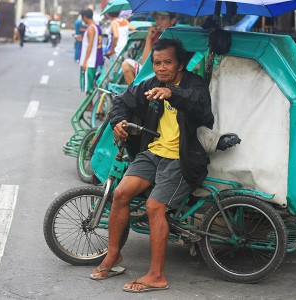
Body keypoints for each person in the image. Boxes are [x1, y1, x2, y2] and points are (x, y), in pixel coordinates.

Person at [90, 39, 214, 293]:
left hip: (181, 158)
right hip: (153, 153)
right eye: (157, 63)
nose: (161, 68)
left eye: (167, 62)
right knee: (121, 194)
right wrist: (119, 121)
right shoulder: (152, 84)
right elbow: (123, 101)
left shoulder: (194, 84)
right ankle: (114, 256)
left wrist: (173, 93)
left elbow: (202, 110)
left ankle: (157, 275)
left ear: (180, 64)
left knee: (154, 207)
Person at [122, 11, 176, 85]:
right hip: (151, 72)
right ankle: (134, 94)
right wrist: (149, 38)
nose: (159, 22)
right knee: (126, 65)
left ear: (172, 21)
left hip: (167, 73)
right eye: (157, 18)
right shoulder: (155, 35)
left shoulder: (175, 37)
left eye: (162, 19)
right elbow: (145, 63)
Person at [79, 8, 104, 94]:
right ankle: (90, 106)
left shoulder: (91, 28)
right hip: (94, 60)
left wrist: (85, 61)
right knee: (90, 85)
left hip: (90, 61)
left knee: (88, 87)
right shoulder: (97, 26)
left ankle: (89, 106)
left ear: (85, 17)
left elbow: (90, 45)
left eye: (82, 18)